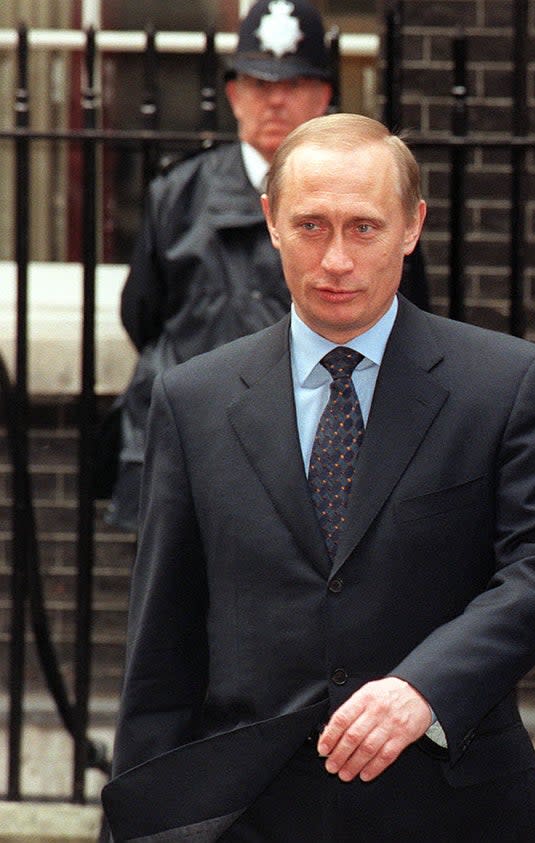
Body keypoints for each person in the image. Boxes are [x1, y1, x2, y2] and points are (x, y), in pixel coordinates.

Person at [101, 113, 535, 842]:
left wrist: (425, 687)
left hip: (455, 809)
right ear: (270, 222)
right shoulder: (192, 400)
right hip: (252, 814)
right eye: (311, 226)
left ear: (412, 226)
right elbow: (164, 648)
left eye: (364, 227)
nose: (336, 259)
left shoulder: (509, 384)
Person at [105, 0, 429, 530]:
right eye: (259, 84)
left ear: (324, 95)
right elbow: (142, 313)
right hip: (199, 438)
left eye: (295, 84)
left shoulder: (378, 199)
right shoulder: (177, 193)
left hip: (323, 442)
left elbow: (410, 321)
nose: (276, 100)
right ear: (233, 95)